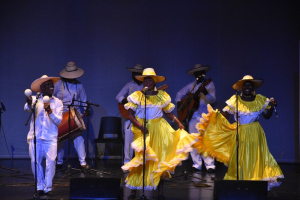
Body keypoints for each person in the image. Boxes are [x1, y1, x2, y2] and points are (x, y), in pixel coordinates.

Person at [121, 68, 201, 200]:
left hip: (159, 129)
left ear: (154, 81)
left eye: (149, 79)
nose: (147, 81)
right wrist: (140, 126)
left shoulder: (161, 95)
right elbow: (129, 115)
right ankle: (134, 191)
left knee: (159, 160)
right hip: (143, 130)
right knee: (141, 160)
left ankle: (160, 192)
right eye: (145, 79)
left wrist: (177, 121)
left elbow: (168, 112)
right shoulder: (137, 96)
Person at [196, 75, 284, 190]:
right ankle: (239, 185)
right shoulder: (235, 100)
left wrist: (272, 106)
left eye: (249, 84)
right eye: (245, 85)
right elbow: (225, 115)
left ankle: (254, 182)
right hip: (240, 133)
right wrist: (214, 116)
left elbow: (267, 116)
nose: (247, 86)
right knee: (240, 159)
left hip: (255, 133)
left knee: (255, 158)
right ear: (241, 88)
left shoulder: (260, 100)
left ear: (253, 87)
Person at [25, 75, 63, 196]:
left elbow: (58, 121)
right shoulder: (35, 100)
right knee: (35, 162)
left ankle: (48, 187)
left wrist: (50, 111)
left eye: (52, 84)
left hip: (50, 138)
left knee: (51, 162)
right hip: (35, 137)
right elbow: (27, 108)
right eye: (48, 85)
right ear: (41, 88)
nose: (51, 87)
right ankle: (40, 187)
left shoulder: (57, 102)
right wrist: (29, 102)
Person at [175, 64, 216, 172]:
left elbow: (212, 100)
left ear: (204, 73)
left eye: (200, 73)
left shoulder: (209, 84)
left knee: (206, 141)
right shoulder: (192, 85)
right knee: (193, 141)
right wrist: (181, 104)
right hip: (193, 116)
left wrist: (205, 92)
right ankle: (196, 164)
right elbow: (179, 94)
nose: (199, 75)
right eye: (196, 74)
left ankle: (209, 165)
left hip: (205, 116)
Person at [53, 61, 88, 168]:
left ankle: (83, 163)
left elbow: (84, 100)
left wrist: (86, 110)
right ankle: (59, 162)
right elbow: (51, 97)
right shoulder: (59, 84)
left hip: (75, 114)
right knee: (60, 139)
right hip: (61, 114)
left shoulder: (79, 85)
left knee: (78, 139)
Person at [116, 64, 144, 164]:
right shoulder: (129, 85)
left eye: (137, 74)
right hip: (129, 118)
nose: (134, 75)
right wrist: (126, 101)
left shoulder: (147, 86)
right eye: (133, 73)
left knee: (142, 141)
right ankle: (127, 162)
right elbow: (118, 96)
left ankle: (140, 162)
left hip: (142, 117)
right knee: (128, 140)